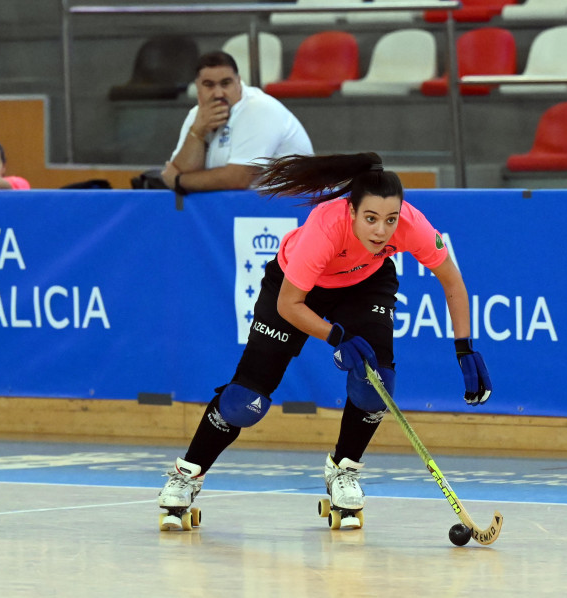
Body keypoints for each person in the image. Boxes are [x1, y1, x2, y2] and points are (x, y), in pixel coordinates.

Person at [157, 152, 492, 531]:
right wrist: (336, 336)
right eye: (370, 219)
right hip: (296, 290)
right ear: (350, 211)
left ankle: (343, 470)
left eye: (390, 220)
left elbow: (452, 281)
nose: (381, 231)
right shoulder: (326, 226)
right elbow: (289, 304)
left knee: (376, 383)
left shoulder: (411, 225)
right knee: (244, 402)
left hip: (364, 286)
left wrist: (464, 347)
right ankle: (188, 474)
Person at [160, 51, 313, 194]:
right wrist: (197, 132)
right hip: (245, 209)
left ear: (238, 82)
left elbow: (238, 178)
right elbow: (182, 169)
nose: (218, 93)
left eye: (225, 83)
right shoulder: (197, 115)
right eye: (209, 85)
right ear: (198, 88)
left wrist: (179, 181)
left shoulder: (258, 108)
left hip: (294, 207)